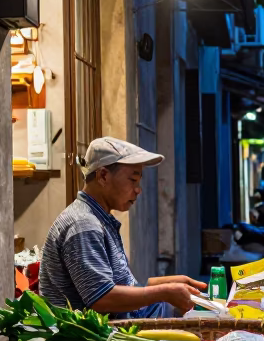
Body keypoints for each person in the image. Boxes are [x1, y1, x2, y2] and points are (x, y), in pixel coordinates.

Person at [39, 136, 206, 319]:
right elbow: (101, 298)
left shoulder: (100, 219)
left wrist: (168, 284)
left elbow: (124, 286)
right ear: (103, 176)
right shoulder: (83, 224)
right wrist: (164, 292)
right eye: (133, 180)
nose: (138, 190)